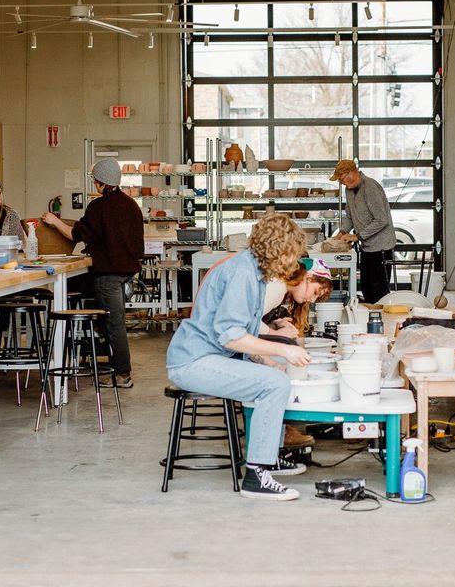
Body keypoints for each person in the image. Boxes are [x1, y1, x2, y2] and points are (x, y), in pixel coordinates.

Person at [166, 213, 312, 501]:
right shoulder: (243, 273)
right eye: (292, 255)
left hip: (209, 356)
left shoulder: (252, 271)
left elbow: (245, 335)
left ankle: (266, 458)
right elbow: (232, 337)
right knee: (274, 384)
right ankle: (257, 476)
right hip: (193, 361)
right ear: (279, 251)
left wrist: (272, 361)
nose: (293, 264)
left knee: (275, 375)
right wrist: (284, 349)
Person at [42, 158, 144, 388]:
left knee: (113, 324)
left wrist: (53, 221)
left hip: (108, 274)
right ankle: (113, 366)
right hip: (128, 273)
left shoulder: (99, 207)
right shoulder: (131, 205)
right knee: (114, 322)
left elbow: (75, 234)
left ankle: (122, 374)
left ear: (100, 183)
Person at [259, 257, 333, 449]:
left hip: (230, 338)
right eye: (315, 292)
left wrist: (276, 324)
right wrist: (274, 333)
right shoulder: (277, 288)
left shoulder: (279, 288)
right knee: (283, 361)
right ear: (307, 277)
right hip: (225, 345)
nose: (312, 299)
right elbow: (244, 322)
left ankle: (284, 427)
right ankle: (280, 432)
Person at [330, 159, 396, 304]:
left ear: (353, 171)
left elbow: (381, 220)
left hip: (381, 247)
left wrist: (357, 236)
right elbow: (349, 216)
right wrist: (342, 232)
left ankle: (382, 323)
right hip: (367, 247)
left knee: (379, 293)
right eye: (341, 182)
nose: (344, 183)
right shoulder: (349, 190)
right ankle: (370, 322)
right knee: (367, 289)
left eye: (344, 179)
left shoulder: (370, 187)